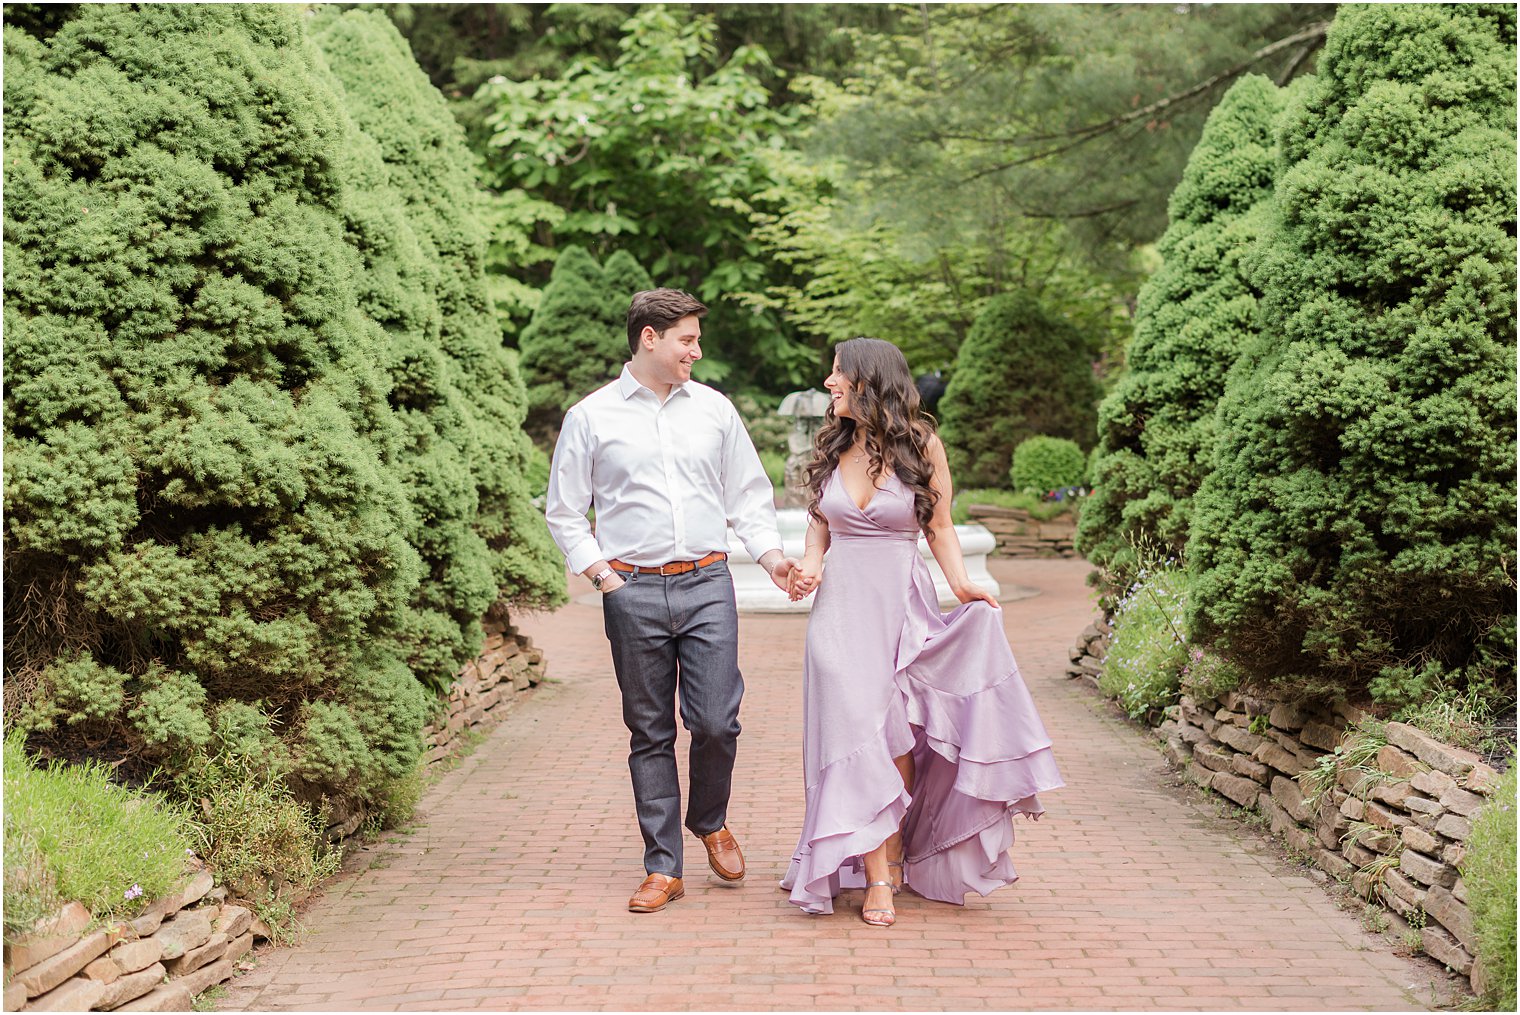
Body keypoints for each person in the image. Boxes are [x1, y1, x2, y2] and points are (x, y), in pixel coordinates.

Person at [779, 337, 1063, 927]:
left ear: (868, 382)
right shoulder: (832, 444)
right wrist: (809, 564)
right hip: (838, 615)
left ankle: (894, 850)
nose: (828, 384)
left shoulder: (920, 444)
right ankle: (878, 877)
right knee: (851, 730)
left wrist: (962, 587)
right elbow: (818, 526)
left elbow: (940, 527)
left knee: (896, 736)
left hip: (901, 609)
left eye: (837, 375)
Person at [545, 288, 799, 914]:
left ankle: (708, 818)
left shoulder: (714, 409)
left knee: (717, 720)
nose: (697, 350)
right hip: (631, 589)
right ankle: (664, 867)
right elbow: (565, 510)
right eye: (686, 338)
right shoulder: (591, 416)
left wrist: (771, 558)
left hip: (708, 582)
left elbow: (747, 495)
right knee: (650, 730)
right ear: (649, 338)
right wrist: (604, 577)